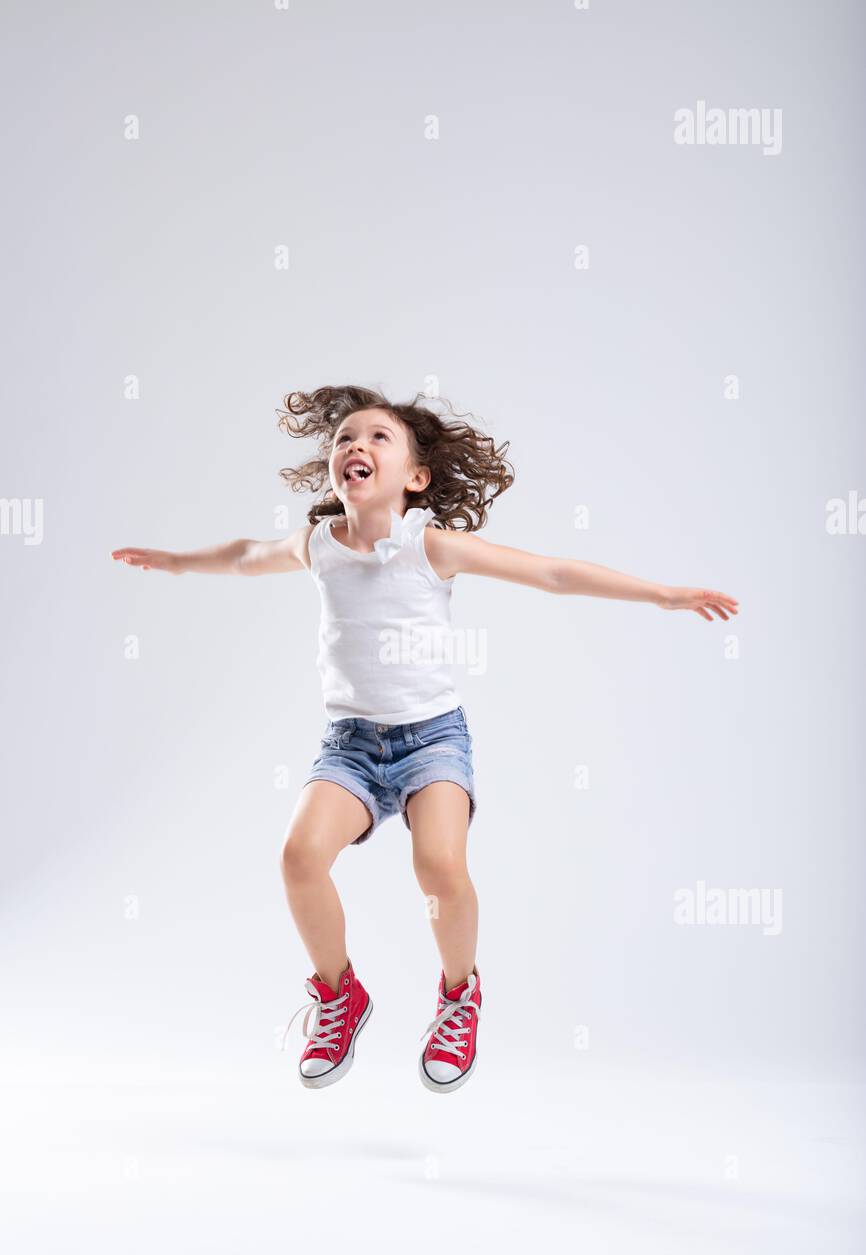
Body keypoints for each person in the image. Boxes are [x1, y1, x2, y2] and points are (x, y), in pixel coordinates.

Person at [111, 384, 739, 1095]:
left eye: (378, 438)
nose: (356, 446)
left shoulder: (427, 545)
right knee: (298, 857)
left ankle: (459, 995)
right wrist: (175, 561)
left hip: (432, 738)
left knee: (439, 868)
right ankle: (339, 994)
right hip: (349, 742)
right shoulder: (318, 546)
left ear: (415, 477)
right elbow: (247, 553)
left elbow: (553, 573)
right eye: (346, 438)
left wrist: (663, 594)